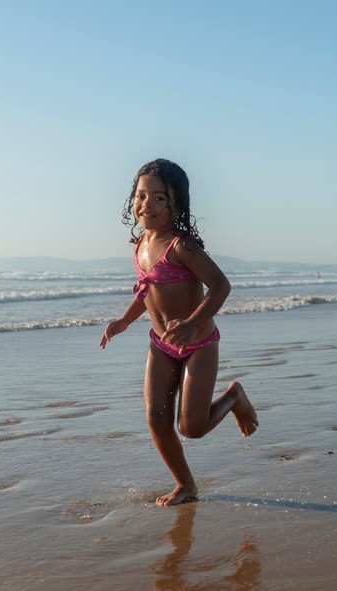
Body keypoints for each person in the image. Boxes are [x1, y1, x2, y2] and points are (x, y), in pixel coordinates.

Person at [99, 158, 259, 507]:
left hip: (199, 343)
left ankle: (233, 396)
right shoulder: (138, 245)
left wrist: (190, 325)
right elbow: (147, 292)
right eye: (142, 196)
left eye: (160, 197)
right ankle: (186, 484)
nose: (148, 204)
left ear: (177, 203)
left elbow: (220, 286)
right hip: (160, 345)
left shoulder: (182, 246)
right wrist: (124, 321)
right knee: (156, 417)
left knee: (191, 427)